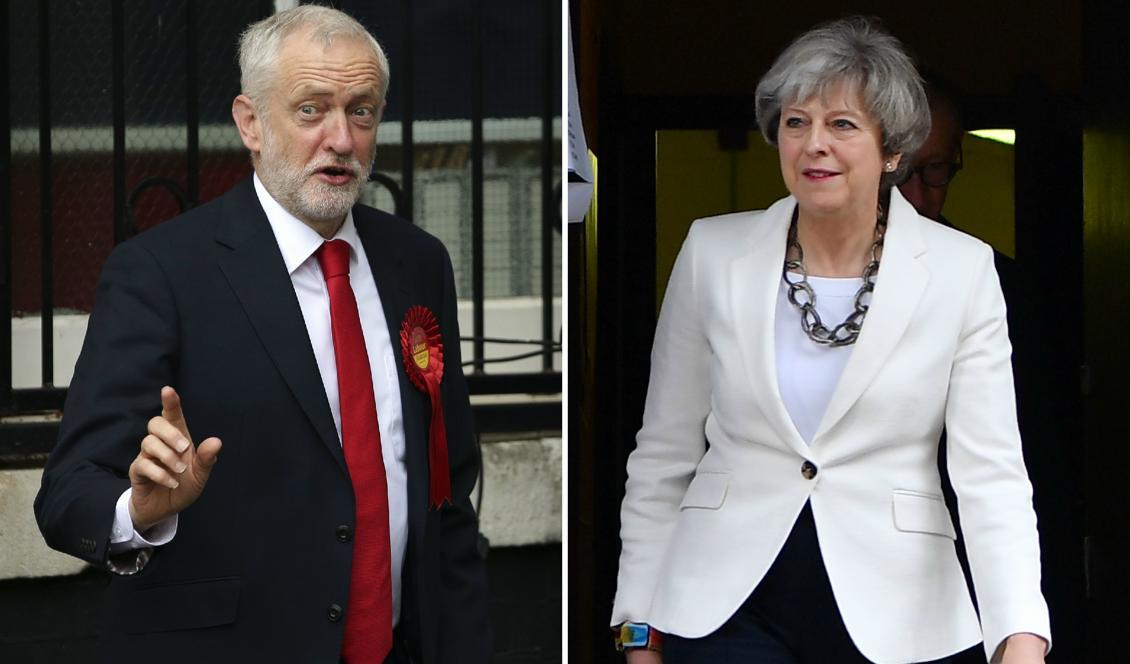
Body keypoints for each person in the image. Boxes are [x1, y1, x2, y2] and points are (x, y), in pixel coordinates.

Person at [34, 6, 490, 663]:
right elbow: (67, 491)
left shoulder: (417, 263)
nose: (341, 138)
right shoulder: (160, 272)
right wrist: (140, 511)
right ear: (251, 123)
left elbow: (448, 497)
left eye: (361, 111)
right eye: (312, 110)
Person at [610, 17, 1049, 664]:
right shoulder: (711, 251)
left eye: (842, 124)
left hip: (903, 614)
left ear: (893, 150)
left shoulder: (963, 270)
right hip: (724, 609)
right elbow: (662, 458)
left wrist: (1020, 634)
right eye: (796, 122)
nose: (814, 143)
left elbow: (992, 474)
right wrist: (636, 630)